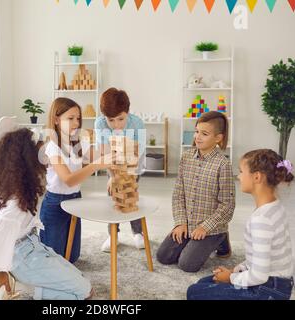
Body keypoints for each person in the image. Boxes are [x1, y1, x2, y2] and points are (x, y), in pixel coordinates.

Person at [0, 129, 93, 300]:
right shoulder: (16, 204)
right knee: (84, 291)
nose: (46, 152)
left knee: (80, 277)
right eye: (42, 148)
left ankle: (19, 280)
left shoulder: (7, 185)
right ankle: (23, 288)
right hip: (22, 256)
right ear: (29, 158)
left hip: (30, 245)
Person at [187, 149, 294, 300]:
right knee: (204, 282)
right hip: (277, 284)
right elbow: (259, 260)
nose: (238, 177)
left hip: (268, 290)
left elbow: (259, 275)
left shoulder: (261, 220)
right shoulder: (275, 207)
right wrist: (236, 270)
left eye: (241, 172)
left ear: (257, 177)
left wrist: (231, 278)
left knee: (194, 292)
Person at [156, 111, 235, 272]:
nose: (197, 137)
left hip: (210, 227)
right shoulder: (186, 158)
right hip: (188, 222)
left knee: (187, 265)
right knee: (163, 256)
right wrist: (180, 223)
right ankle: (193, 238)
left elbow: (227, 205)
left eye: (204, 134)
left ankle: (221, 238)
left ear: (218, 138)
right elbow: (178, 194)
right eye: (196, 131)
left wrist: (205, 228)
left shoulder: (223, 165)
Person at [40, 97, 112, 263]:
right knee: (53, 260)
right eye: (70, 118)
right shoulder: (53, 147)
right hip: (55, 205)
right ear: (57, 120)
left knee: (72, 257)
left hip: (74, 200)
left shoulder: (80, 143)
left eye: (78, 118)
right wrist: (95, 166)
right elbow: (69, 180)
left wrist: (113, 174)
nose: (75, 123)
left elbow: (103, 157)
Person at [94, 88, 146, 253]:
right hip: (112, 164)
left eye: (120, 119)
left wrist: (126, 175)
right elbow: (105, 153)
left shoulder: (137, 124)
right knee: (114, 196)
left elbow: (137, 154)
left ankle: (138, 232)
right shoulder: (100, 124)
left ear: (127, 113)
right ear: (104, 117)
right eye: (111, 120)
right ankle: (113, 234)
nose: (116, 124)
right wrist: (113, 176)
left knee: (131, 196)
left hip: (133, 164)